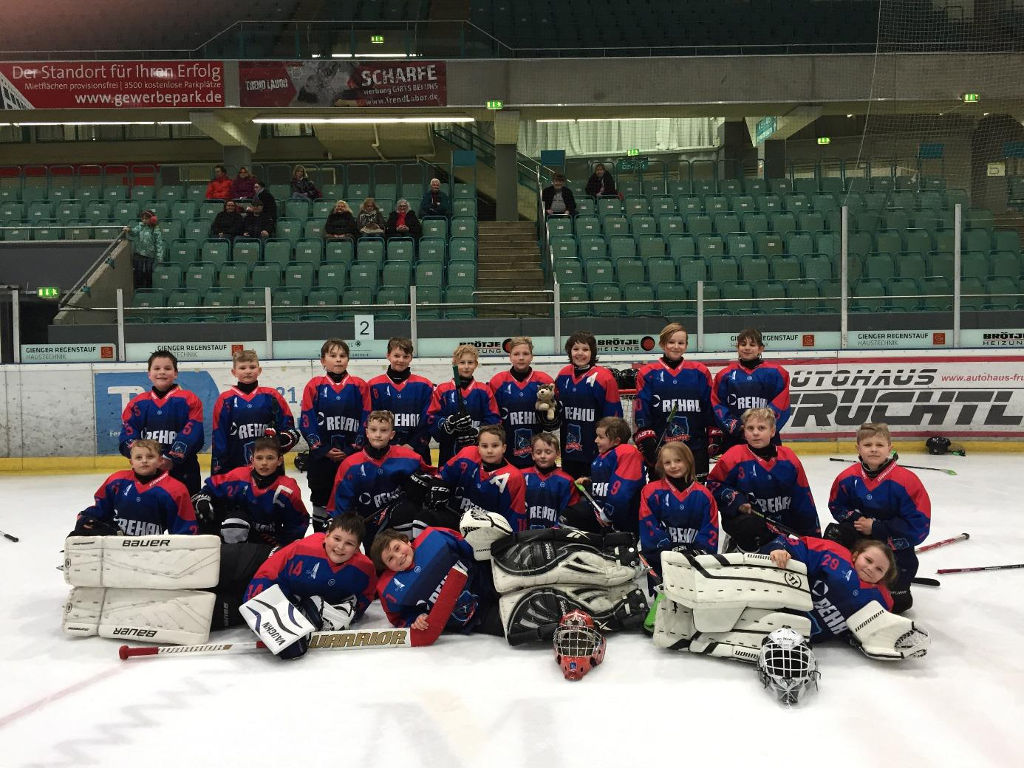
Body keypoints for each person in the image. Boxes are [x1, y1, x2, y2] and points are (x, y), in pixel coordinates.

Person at [828, 422, 931, 614]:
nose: (874, 449)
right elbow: (836, 506)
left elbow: (919, 524)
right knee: (835, 534)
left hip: (892, 541)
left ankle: (893, 587)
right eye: (867, 445)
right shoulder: (847, 477)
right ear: (858, 448)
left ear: (890, 448)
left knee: (899, 605)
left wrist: (877, 528)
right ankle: (843, 582)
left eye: (879, 445)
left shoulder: (907, 481)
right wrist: (856, 519)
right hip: (861, 537)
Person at [706, 408, 820, 552]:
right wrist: (736, 501)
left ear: (772, 431)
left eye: (761, 428)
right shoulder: (734, 456)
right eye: (750, 428)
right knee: (748, 525)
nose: (755, 433)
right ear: (744, 431)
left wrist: (814, 540)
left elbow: (803, 498)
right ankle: (738, 545)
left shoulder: (789, 458)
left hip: (779, 526)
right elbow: (714, 485)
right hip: (746, 522)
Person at [244, 513, 377, 624]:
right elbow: (267, 572)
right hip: (254, 562)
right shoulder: (300, 549)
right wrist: (256, 607)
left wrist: (353, 615)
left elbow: (366, 595)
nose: (340, 547)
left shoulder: (364, 568)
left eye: (349, 543)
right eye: (337, 539)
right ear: (327, 535)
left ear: (357, 547)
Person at [327, 410, 434, 543]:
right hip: (368, 525)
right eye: (373, 430)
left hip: (400, 523)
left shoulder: (410, 458)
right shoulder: (350, 465)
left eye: (383, 430)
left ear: (392, 434)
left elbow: (434, 477)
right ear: (367, 433)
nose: (378, 435)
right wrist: (338, 526)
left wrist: (429, 483)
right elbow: (340, 505)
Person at [372, 526, 502, 635]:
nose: (398, 556)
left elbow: (470, 549)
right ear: (387, 568)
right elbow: (400, 618)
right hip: (476, 618)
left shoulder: (435, 538)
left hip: (493, 584)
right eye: (390, 559)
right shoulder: (390, 591)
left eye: (397, 548)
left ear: (406, 541)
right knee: (508, 625)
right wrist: (416, 619)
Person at [299, 338, 370, 534]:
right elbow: (307, 420)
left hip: (352, 458)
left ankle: (349, 541)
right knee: (320, 499)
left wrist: (352, 449)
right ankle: (319, 539)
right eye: (333, 355)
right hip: (321, 459)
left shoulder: (360, 386)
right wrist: (322, 449)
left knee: (351, 499)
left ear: (348, 359)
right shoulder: (314, 385)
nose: (338, 359)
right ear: (323, 361)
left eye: (342, 355)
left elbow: (366, 419)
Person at [767, 536, 897, 643]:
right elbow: (794, 545)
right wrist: (779, 550)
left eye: (879, 569)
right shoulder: (832, 553)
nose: (871, 568)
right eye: (868, 560)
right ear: (855, 555)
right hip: (775, 607)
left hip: (804, 640)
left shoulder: (883, 602)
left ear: (884, 577)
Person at [194, 436, 309, 547]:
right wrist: (203, 499)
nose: (264, 463)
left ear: (279, 461)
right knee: (230, 522)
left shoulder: (287, 489)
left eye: (270, 458)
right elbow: (210, 488)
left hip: (271, 541)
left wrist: (283, 547)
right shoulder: (239, 477)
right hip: (241, 535)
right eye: (259, 458)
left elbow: (299, 523)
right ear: (252, 460)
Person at [633, 322, 714, 478]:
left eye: (681, 343)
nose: (676, 346)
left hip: (695, 447)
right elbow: (642, 409)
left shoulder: (700, 372)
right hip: (662, 449)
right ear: (662, 344)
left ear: (686, 345)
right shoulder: (648, 373)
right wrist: (647, 439)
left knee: (696, 489)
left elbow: (709, 407)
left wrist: (713, 433)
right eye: (671, 342)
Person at [119, 349, 205, 496]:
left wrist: (171, 458)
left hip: (184, 470)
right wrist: (142, 456)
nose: (162, 372)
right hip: (147, 471)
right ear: (149, 373)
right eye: (157, 368)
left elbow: (193, 432)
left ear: (176, 373)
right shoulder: (138, 403)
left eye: (167, 368)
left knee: (187, 507)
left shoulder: (189, 399)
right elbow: (128, 434)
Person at [73, 438, 197, 537]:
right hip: (117, 543)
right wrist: (86, 518)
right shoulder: (116, 481)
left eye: (150, 457)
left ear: (160, 461)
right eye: (139, 457)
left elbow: (184, 529)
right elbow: (101, 509)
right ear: (131, 462)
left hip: (154, 548)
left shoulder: (175, 489)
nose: (144, 461)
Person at [210, 349, 299, 476]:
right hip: (235, 467)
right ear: (234, 372)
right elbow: (219, 437)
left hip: (269, 467)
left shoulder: (272, 396)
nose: (248, 371)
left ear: (259, 370)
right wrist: (220, 470)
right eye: (242, 368)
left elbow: (288, 428)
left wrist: (280, 440)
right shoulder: (225, 400)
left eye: (252, 367)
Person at [638, 442, 719, 576]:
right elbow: (648, 525)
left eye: (678, 460)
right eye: (667, 462)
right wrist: (669, 550)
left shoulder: (704, 495)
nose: (673, 466)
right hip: (661, 561)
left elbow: (709, 529)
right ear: (661, 466)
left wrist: (699, 551)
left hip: (695, 562)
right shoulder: (651, 491)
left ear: (688, 461)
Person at [554, 330, 622, 479]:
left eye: (585, 349)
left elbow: (614, 417)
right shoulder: (563, 374)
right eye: (575, 349)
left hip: (596, 449)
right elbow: (556, 409)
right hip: (569, 449)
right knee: (572, 488)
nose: (580, 353)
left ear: (593, 352)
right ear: (569, 351)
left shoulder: (604, 377)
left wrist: (610, 446)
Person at [712, 328, 791, 452]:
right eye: (743, 344)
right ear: (737, 347)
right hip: (735, 438)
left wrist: (765, 426)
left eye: (752, 345)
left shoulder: (776, 373)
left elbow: (782, 404)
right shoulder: (725, 375)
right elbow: (717, 404)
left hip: (767, 439)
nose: (747, 348)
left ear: (761, 348)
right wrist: (734, 425)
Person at [440, 425, 527, 533]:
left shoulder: (514, 477)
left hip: (489, 533)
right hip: (456, 523)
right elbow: (442, 477)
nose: (489, 451)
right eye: (484, 446)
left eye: (495, 446)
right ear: (478, 448)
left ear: (504, 448)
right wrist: (438, 484)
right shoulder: (467, 456)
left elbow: (515, 518)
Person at [488, 336, 557, 469]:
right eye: (516, 354)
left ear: (532, 356)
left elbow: (553, 419)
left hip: (538, 453)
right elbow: (493, 419)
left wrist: (550, 419)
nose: (521, 358)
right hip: (507, 452)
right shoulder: (498, 382)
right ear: (510, 357)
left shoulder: (544, 380)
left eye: (525, 354)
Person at [427, 344, 501, 466]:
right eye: (462, 362)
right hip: (449, 453)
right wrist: (447, 424)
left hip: (478, 453)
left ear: (476, 364)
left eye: (470, 362)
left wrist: (478, 432)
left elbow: (494, 419)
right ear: (454, 364)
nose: (466, 366)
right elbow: (431, 418)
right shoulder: (443, 390)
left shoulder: (484, 390)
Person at [567, 417, 644, 534]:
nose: (596, 440)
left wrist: (609, 513)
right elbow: (608, 481)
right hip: (602, 517)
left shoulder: (626, 452)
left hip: (622, 522)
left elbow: (623, 489)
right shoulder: (603, 455)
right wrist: (590, 481)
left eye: (601, 437)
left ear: (616, 441)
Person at [367, 337, 434, 464]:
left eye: (405, 356)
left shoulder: (424, 385)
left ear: (411, 358)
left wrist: (412, 445)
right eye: (396, 356)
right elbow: (369, 422)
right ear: (388, 356)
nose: (401, 360)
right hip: (381, 453)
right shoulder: (373, 385)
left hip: (417, 453)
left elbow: (428, 421)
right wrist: (388, 447)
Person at [521, 433, 578, 529]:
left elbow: (570, 514)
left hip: (555, 534)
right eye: (538, 452)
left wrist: (557, 530)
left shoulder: (567, 481)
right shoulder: (521, 476)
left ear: (557, 454)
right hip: (525, 533)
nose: (543, 456)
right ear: (533, 455)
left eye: (548, 452)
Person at [123, 209, 166, 290]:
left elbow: (159, 243)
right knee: (138, 272)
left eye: (146, 218)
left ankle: (148, 289)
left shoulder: (155, 229)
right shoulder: (140, 226)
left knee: (148, 272)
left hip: (150, 254)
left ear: (152, 219)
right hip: (139, 253)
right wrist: (129, 230)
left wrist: (160, 256)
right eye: (143, 218)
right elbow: (134, 232)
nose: (144, 220)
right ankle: (139, 289)